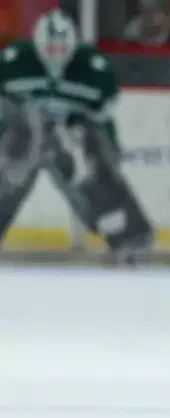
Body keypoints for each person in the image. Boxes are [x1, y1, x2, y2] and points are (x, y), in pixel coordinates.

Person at [0, 9, 155, 259]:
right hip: (25, 139)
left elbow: (102, 123)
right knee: (9, 171)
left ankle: (130, 234)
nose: (56, 57)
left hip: (71, 141)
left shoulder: (93, 69)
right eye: (51, 50)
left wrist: (108, 156)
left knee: (89, 168)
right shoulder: (11, 62)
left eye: (62, 50)